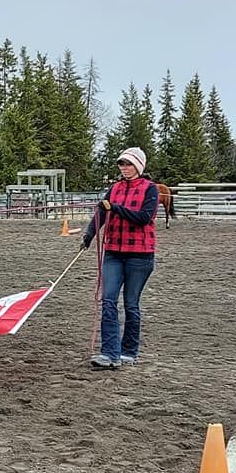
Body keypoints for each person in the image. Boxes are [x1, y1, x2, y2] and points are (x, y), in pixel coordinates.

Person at [81, 147, 159, 370]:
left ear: (139, 166)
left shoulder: (150, 189)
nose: (124, 168)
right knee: (108, 300)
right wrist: (89, 233)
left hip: (140, 256)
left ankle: (129, 351)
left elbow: (144, 218)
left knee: (131, 304)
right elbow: (101, 214)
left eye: (128, 164)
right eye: (122, 164)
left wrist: (115, 207)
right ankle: (110, 353)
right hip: (113, 252)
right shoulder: (114, 188)